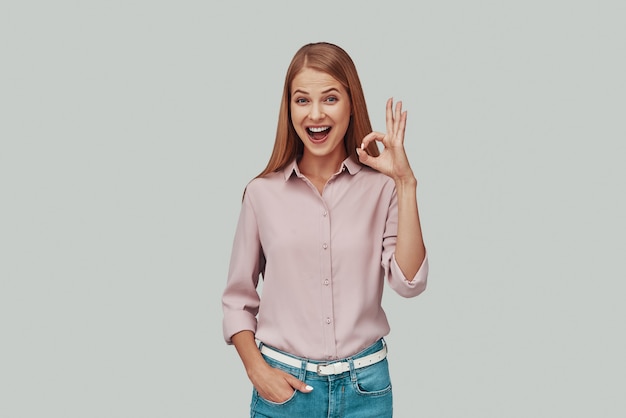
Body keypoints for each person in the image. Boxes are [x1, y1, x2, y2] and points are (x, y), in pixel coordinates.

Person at [221, 41, 429, 418]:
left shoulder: (382, 189)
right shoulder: (261, 194)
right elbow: (237, 299)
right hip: (283, 391)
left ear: (351, 104)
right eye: (302, 100)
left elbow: (409, 282)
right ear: (289, 109)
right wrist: (257, 370)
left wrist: (406, 183)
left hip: (365, 389)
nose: (315, 113)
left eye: (330, 98)